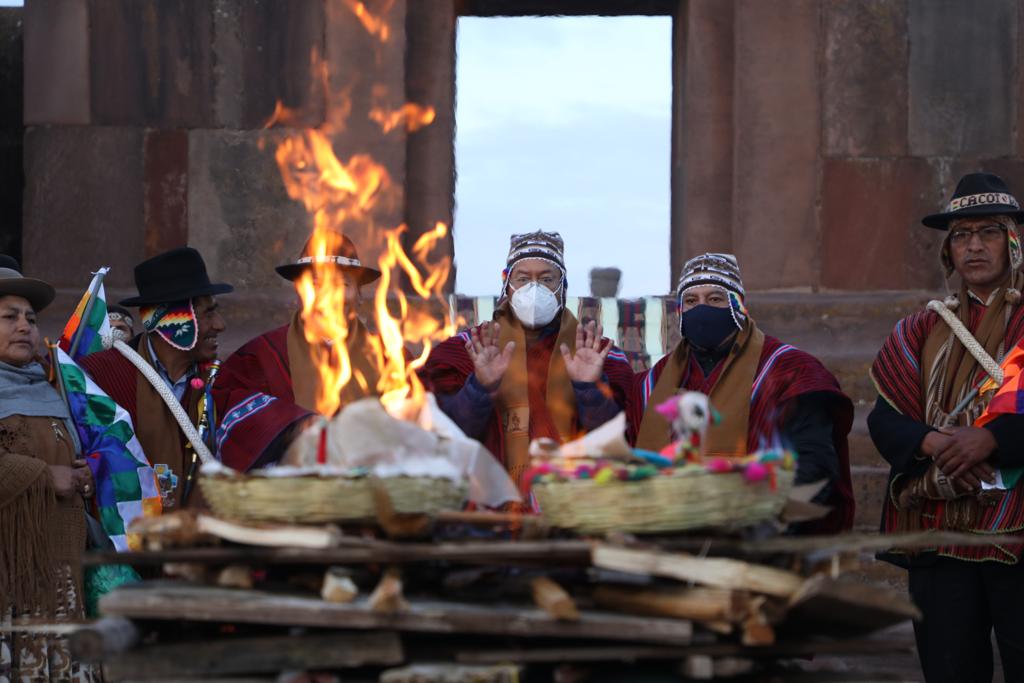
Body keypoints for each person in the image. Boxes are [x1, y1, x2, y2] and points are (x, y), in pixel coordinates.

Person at [868, 172, 1024, 682]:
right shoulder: (919, 329)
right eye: (961, 235)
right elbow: (885, 416)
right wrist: (930, 440)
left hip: (1018, 528)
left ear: (1014, 242)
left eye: (988, 232)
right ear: (947, 251)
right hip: (939, 531)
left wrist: (994, 438)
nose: (974, 246)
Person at [630, 253, 854, 533]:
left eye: (715, 299)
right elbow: (620, 455)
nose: (702, 309)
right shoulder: (653, 381)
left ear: (739, 306)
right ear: (680, 311)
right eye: (691, 301)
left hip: (757, 540)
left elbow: (813, 466)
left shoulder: (790, 371)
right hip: (666, 542)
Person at [420, 231, 634, 489]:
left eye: (546, 279)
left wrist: (590, 389)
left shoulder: (596, 351)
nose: (534, 289)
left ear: (562, 287)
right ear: (506, 285)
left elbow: (623, 440)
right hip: (489, 503)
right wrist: (479, 387)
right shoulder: (468, 348)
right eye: (523, 279)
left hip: (576, 498)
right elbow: (441, 437)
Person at [0, 265, 99, 680]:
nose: (24, 326)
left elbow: (69, 459)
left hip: (59, 582)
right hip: (9, 583)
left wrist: (80, 475)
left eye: (31, 318)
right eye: (9, 317)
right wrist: (45, 476)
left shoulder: (52, 386)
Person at [213, 232, 382, 470]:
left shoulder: (390, 359)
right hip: (289, 498)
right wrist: (294, 427)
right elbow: (228, 414)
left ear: (360, 295)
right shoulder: (260, 357)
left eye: (343, 284)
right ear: (298, 292)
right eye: (315, 284)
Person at [80, 247, 232, 509]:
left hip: (200, 539)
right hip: (125, 541)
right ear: (174, 322)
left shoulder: (220, 380)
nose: (220, 324)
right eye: (208, 313)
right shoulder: (102, 376)